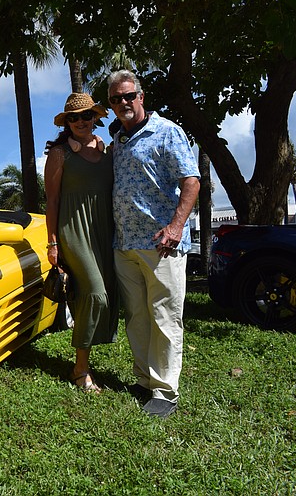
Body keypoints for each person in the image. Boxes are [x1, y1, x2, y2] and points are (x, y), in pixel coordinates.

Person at [108, 70, 200, 418]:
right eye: (116, 99)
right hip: (126, 243)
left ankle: (165, 391)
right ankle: (145, 379)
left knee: (164, 315)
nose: (123, 103)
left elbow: (191, 181)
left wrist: (176, 226)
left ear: (141, 97)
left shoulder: (166, 132)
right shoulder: (119, 140)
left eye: (129, 96)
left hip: (161, 243)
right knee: (137, 316)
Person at [44, 92, 119, 393]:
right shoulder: (61, 153)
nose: (80, 122)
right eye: (73, 117)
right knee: (96, 293)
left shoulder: (106, 150)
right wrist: (52, 243)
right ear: (67, 122)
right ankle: (80, 369)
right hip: (72, 230)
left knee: (106, 293)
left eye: (86, 116)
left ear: (96, 118)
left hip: (103, 229)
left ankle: (84, 360)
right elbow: (52, 199)